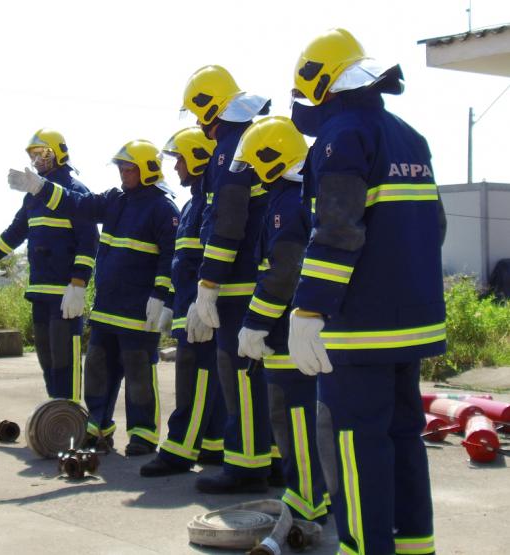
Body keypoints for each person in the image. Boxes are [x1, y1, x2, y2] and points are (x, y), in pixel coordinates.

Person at [287, 29, 446, 555]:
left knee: (354, 445)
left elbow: (336, 230)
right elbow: (435, 227)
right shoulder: (408, 135)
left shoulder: (342, 135)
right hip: (411, 323)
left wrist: (309, 308)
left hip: (360, 330)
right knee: (404, 439)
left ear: (321, 84)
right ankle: (414, 547)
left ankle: (364, 549)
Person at [9, 140, 179, 456]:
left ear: (148, 170)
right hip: (106, 310)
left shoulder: (163, 208)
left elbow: (170, 258)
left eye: (129, 169)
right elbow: (78, 204)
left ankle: (143, 434)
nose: (123, 175)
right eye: (121, 169)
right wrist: (41, 188)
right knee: (98, 372)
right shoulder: (115, 199)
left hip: (138, 312)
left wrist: (161, 295)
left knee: (140, 373)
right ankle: (98, 428)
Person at [181, 65, 276, 494]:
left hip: (237, 285)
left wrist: (209, 282)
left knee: (240, 375)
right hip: (262, 279)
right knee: (262, 376)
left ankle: (245, 466)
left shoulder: (228, 148)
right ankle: (271, 460)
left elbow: (226, 221)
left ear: (208, 108)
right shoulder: (256, 135)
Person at [231, 116, 329, 522]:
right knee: (294, 415)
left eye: (256, 163)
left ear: (273, 158)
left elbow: (283, 271)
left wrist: (255, 322)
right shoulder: (290, 197)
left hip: (289, 332)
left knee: (295, 415)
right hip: (291, 329)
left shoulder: (287, 203)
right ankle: (309, 492)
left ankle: (307, 497)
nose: (253, 172)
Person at [0, 129, 98, 402]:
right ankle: (53, 417)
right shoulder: (33, 196)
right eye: (32, 156)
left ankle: (70, 417)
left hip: (65, 294)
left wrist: (78, 284)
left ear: (58, 152)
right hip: (39, 292)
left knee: (64, 359)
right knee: (46, 359)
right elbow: (16, 232)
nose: (36, 161)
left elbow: (89, 241)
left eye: (41, 154)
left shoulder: (76, 192)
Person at [139, 128, 227, 476]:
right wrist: (171, 303)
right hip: (190, 307)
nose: (175, 167)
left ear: (199, 159)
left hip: (203, 311)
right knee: (210, 383)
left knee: (196, 381)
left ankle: (178, 451)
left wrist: (202, 305)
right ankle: (212, 445)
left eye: (180, 159)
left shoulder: (210, 200)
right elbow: (183, 262)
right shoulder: (195, 201)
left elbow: (211, 259)